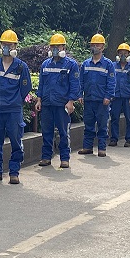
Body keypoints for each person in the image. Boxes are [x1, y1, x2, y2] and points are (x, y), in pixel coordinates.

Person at [0, 29, 31, 184]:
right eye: (4, 44)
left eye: (10, 45)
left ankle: (14, 172)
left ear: (15, 46)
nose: (6, 47)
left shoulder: (21, 67)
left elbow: (25, 88)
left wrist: (15, 100)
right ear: (0, 45)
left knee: (16, 141)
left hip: (13, 110)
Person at [35, 34, 81, 167]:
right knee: (46, 132)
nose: (55, 49)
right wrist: (39, 100)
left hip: (62, 104)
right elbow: (41, 84)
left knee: (63, 132)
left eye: (58, 46)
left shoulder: (71, 65)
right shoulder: (45, 64)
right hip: (47, 103)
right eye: (53, 46)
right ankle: (46, 157)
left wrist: (71, 102)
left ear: (63, 47)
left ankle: (64, 158)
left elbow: (75, 85)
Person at [79, 34, 115, 157]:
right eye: (93, 45)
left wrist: (108, 96)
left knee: (102, 125)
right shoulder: (85, 64)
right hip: (89, 99)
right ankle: (87, 147)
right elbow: (81, 81)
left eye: (97, 45)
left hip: (102, 101)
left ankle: (102, 148)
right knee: (88, 124)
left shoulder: (108, 64)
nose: (95, 47)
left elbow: (111, 82)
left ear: (103, 47)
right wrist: (80, 94)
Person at [109, 43, 130, 147]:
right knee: (114, 118)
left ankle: (129, 139)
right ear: (117, 54)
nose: (123, 55)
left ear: (128, 54)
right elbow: (110, 81)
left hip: (128, 96)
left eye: (125, 53)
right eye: (121, 53)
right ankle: (114, 138)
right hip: (116, 96)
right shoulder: (112, 66)